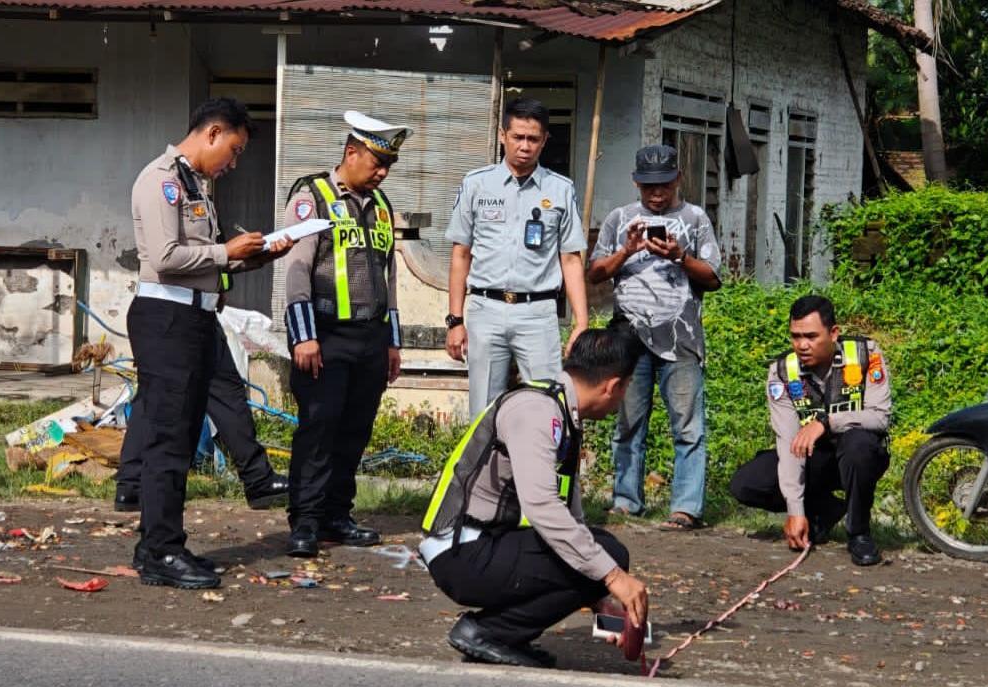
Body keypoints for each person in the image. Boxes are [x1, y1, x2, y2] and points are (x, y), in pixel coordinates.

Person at [128, 97, 293, 589]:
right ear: (214, 133)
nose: (235, 162)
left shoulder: (194, 184)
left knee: (180, 434)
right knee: (169, 439)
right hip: (166, 318)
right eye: (235, 150)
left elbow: (206, 262)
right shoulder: (159, 179)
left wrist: (258, 257)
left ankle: (162, 544)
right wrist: (227, 250)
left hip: (197, 317)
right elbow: (165, 255)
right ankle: (159, 551)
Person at [420, 327, 650, 667]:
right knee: (608, 557)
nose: (624, 396)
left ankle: (499, 632)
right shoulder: (536, 411)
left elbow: (571, 519)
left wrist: (601, 595)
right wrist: (613, 577)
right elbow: (541, 507)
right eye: (628, 386)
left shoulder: (561, 411)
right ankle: (486, 631)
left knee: (603, 549)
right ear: (613, 385)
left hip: (484, 543)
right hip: (462, 552)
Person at [281, 111, 409, 558]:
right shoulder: (311, 196)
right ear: (351, 152)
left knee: (354, 431)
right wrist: (302, 337)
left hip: (370, 338)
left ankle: (337, 515)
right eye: (376, 162)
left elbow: (389, 276)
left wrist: (393, 341)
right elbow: (296, 269)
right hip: (324, 334)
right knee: (319, 429)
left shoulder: (381, 206)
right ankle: (306, 520)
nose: (382, 172)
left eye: (388, 165)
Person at [586, 144, 722, 528]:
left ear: (678, 179)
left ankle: (686, 508)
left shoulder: (695, 219)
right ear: (636, 183)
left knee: (688, 425)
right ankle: (627, 500)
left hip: (681, 339)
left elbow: (713, 278)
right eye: (648, 187)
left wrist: (680, 256)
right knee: (628, 422)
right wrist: (627, 251)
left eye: (663, 185)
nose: (657, 195)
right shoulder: (619, 218)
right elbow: (595, 274)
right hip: (629, 336)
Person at [444, 98, 589, 420]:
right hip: (486, 309)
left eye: (533, 139)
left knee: (550, 407)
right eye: (518, 137)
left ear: (545, 140)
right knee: (483, 411)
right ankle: (484, 471)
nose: (525, 146)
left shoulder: (561, 189)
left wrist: (581, 322)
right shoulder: (476, 184)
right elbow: (460, 255)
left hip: (537, 313)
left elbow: (571, 260)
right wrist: (455, 320)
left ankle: (542, 470)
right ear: (502, 135)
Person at [729, 295, 892, 566]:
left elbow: (880, 418)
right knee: (746, 483)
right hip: (813, 457)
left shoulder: (866, 354)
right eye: (795, 336)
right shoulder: (782, 372)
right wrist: (795, 510)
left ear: (834, 333)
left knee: (858, 446)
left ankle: (859, 533)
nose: (802, 345)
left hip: (858, 454)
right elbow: (787, 441)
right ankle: (823, 512)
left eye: (811, 336)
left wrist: (826, 422)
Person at [114, 319, 290, 519]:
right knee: (225, 391)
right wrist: (216, 291)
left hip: (152, 312)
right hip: (190, 311)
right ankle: (257, 478)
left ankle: (130, 486)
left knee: (151, 392)